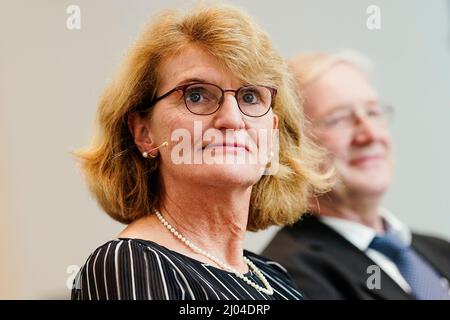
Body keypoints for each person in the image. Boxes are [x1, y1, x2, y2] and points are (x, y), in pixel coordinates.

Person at [71, 5, 330, 300]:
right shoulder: (128, 263)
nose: (232, 119)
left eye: (250, 96)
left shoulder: (274, 276)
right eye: (196, 95)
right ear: (144, 133)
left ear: (271, 132)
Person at [263, 52, 450, 300]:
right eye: (339, 119)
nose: (369, 134)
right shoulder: (289, 273)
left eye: (373, 112)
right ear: (292, 145)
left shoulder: (440, 250)